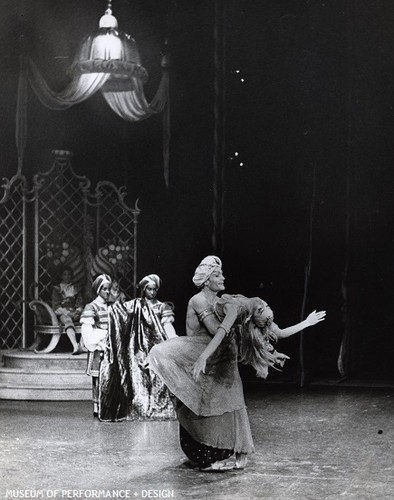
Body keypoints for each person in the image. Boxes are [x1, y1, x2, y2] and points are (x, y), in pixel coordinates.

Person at [147, 256, 326, 472]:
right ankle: (205, 456)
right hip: (202, 355)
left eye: (221, 273)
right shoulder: (200, 300)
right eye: (217, 274)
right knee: (202, 408)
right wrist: (240, 317)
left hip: (223, 361)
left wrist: (305, 323)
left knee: (231, 406)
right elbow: (216, 331)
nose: (223, 277)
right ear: (206, 280)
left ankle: (232, 453)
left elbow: (275, 331)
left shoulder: (227, 302)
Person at [97, 274, 178, 422]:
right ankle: (139, 408)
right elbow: (121, 313)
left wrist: (174, 340)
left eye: (155, 289)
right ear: (144, 289)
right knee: (137, 373)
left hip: (158, 347)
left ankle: (160, 410)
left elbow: (167, 326)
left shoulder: (162, 306)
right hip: (139, 348)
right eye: (149, 289)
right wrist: (114, 308)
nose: (152, 293)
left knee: (159, 376)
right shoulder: (136, 305)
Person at [80, 273, 112, 417]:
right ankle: (96, 406)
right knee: (97, 376)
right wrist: (98, 341)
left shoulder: (111, 306)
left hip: (111, 345)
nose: (107, 292)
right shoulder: (91, 306)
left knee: (110, 376)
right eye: (104, 289)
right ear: (98, 290)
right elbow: (87, 330)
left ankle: (108, 404)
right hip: (99, 346)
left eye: (109, 289)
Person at [51, 266, 84, 354]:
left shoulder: (76, 288)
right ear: (61, 276)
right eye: (65, 274)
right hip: (63, 313)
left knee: (86, 320)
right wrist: (68, 313)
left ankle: (82, 345)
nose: (67, 276)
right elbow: (56, 306)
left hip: (74, 312)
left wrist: (77, 311)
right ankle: (75, 345)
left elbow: (79, 303)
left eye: (69, 274)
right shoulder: (57, 289)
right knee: (68, 320)